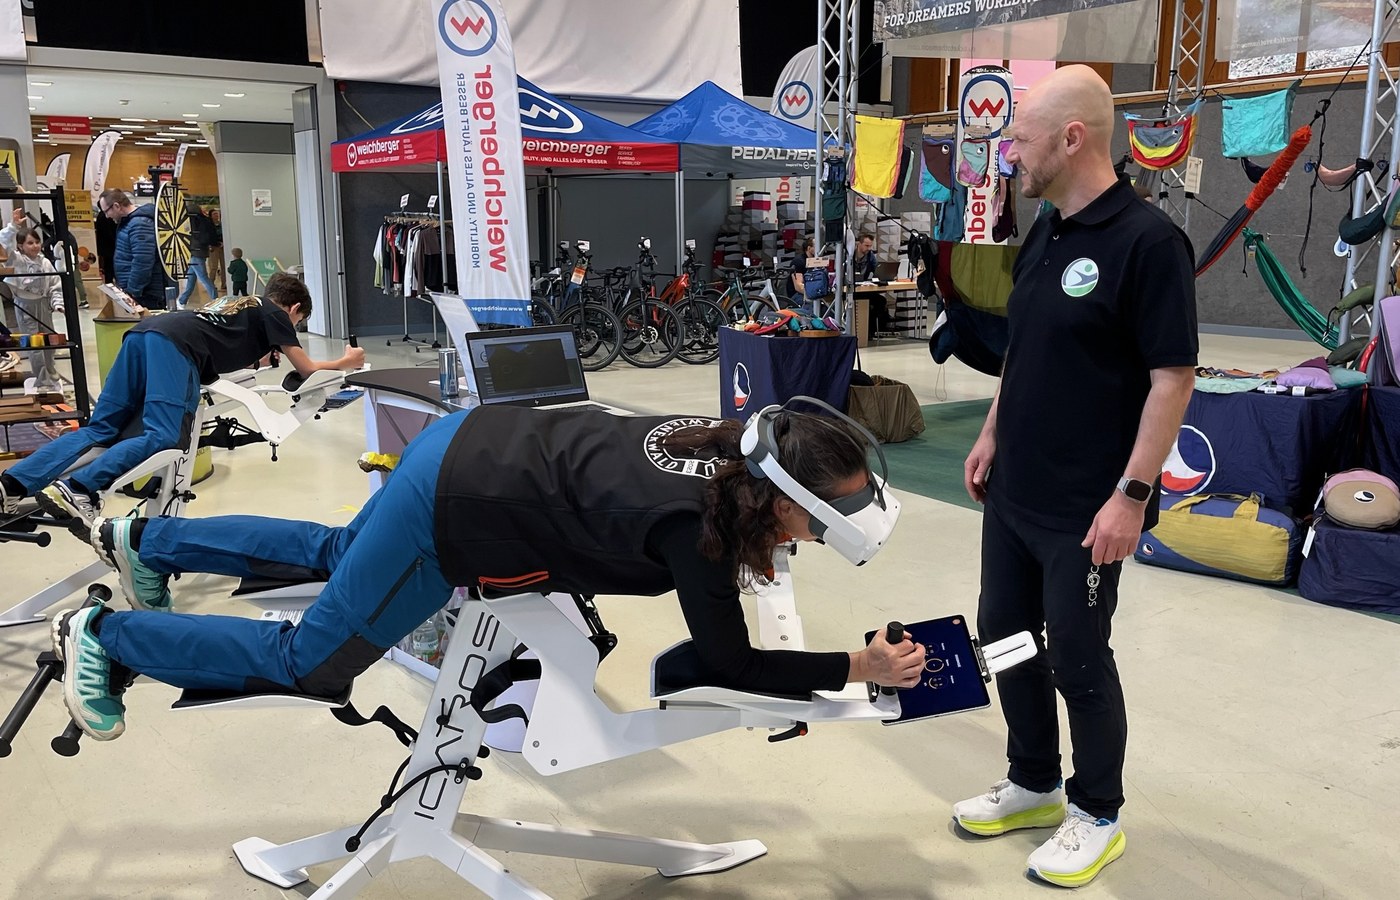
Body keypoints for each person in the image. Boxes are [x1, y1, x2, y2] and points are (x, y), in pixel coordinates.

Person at [54, 404, 924, 741]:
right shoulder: (693, 529)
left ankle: (150, 541)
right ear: (773, 497)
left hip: (464, 440)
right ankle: (103, 636)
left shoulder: (726, 445)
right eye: (814, 519)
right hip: (454, 514)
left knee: (335, 553)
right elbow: (730, 664)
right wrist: (860, 667)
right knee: (315, 663)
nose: (811, 536)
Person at [955, 65, 1197, 887]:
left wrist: (1132, 495)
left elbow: (1172, 378)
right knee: (1008, 639)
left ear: (1072, 137)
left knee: (1079, 660)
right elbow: (1027, 344)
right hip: (1015, 490)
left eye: (1021, 137)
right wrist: (991, 431)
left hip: (1087, 507)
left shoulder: (1148, 243)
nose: (1010, 151)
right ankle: (1032, 781)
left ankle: (1097, 812)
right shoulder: (1048, 230)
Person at [0, 274, 365, 528]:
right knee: (164, 436)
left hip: (144, 335)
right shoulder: (276, 312)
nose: (294, 328)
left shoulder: (239, 301)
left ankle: (12, 485)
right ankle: (78, 489)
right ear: (294, 308)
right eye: (298, 321)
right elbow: (306, 367)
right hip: (176, 349)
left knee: (102, 428)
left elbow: (219, 338)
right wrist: (346, 362)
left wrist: (257, 358)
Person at [0, 210, 65, 394]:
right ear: (20, 246)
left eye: (37, 242)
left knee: (49, 342)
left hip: (43, 306)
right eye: (30, 243)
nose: (35, 246)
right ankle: (41, 379)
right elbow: (3, 242)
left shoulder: (45, 263)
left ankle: (52, 375)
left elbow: (55, 285)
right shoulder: (16, 259)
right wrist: (13, 226)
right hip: (24, 306)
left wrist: (57, 303)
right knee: (34, 345)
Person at [99, 189, 170, 311]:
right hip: (142, 292)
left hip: (146, 294)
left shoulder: (139, 223)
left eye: (106, 211)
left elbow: (143, 261)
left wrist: (132, 292)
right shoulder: (131, 222)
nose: (107, 216)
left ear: (116, 206)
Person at [174, 203, 220, 308]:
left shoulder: (190, 221)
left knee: (203, 277)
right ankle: (182, 301)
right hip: (201, 251)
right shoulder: (206, 220)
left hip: (194, 252)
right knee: (191, 277)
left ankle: (216, 301)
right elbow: (212, 235)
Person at [853, 233, 893, 338]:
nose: (869, 248)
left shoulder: (870, 256)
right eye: (866, 246)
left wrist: (882, 276)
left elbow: (877, 268)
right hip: (851, 290)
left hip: (864, 289)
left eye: (870, 246)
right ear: (859, 244)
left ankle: (871, 331)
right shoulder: (848, 255)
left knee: (881, 301)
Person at [786, 239, 815, 307]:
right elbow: (798, 286)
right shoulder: (798, 262)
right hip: (797, 295)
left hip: (810, 292)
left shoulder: (815, 262)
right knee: (815, 305)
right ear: (809, 248)